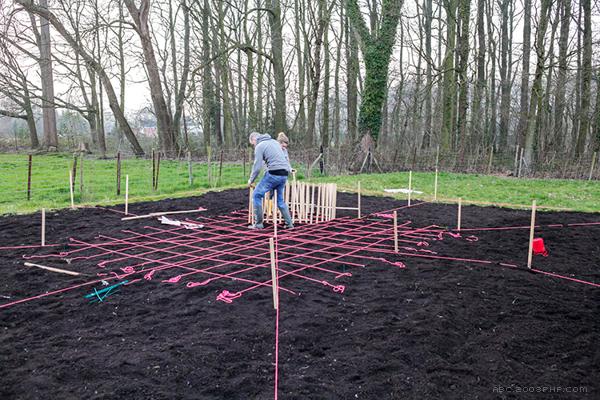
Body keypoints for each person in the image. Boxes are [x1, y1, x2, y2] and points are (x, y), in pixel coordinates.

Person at [248, 132, 294, 229]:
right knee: (280, 200)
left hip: (273, 173)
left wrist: (251, 180)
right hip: (284, 174)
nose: (253, 146)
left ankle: (258, 224)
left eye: (253, 144)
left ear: (254, 139)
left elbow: (257, 167)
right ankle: (289, 224)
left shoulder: (260, 146)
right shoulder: (274, 142)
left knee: (256, 195)